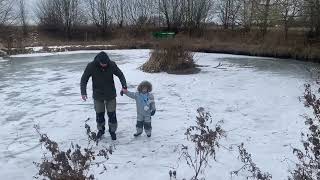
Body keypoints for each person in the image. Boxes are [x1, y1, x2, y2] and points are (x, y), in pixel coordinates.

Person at [80, 51, 127, 140]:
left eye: (106, 63)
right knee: (99, 114)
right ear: (98, 61)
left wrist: (124, 86)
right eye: (103, 64)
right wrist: (83, 92)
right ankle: (101, 130)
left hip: (110, 94)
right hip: (98, 95)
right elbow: (84, 79)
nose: (104, 65)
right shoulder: (91, 66)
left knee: (112, 114)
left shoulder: (112, 64)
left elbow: (120, 75)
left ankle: (112, 131)